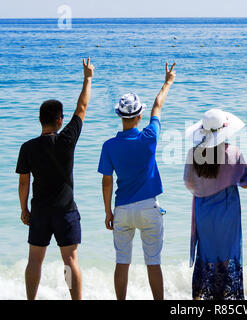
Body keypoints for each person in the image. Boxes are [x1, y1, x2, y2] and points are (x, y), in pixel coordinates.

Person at [16, 58, 95, 300]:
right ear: (60, 120)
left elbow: (23, 183)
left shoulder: (27, 148)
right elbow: (82, 107)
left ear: (41, 120)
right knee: (70, 261)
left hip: (39, 210)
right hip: (65, 211)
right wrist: (88, 77)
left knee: (34, 261)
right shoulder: (67, 139)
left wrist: (24, 209)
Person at [98, 62, 176, 300]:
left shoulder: (109, 146)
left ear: (119, 116)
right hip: (149, 208)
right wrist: (168, 81)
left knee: (122, 262)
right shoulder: (149, 136)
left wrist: (107, 212)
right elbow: (158, 105)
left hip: (122, 209)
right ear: (139, 115)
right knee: (153, 262)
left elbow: (107, 182)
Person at [184, 109, 247, 300]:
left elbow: (189, 183)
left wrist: (205, 188)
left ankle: (199, 298)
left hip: (203, 213)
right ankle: (224, 300)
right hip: (228, 214)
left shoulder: (193, 154)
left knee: (205, 255)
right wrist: (246, 169)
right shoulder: (234, 153)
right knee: (227, 256)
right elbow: (245, 182)